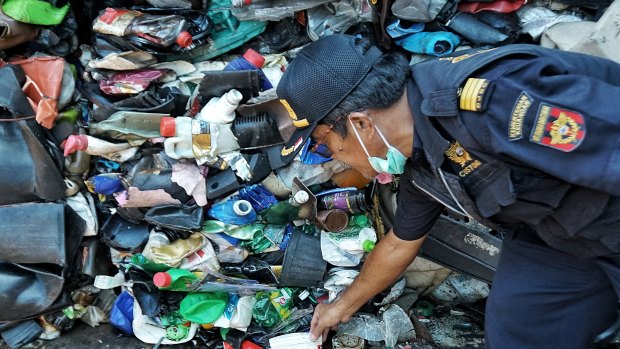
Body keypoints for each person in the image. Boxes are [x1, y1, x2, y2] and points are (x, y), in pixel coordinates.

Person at [276, 34, 620, 348]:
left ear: (362, 124)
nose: (334, 158)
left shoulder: (497, 102)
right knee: (519, 330)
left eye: (324, 146)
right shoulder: (422, 158)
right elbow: (399, 242)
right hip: (554, 236)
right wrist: (341, 307)